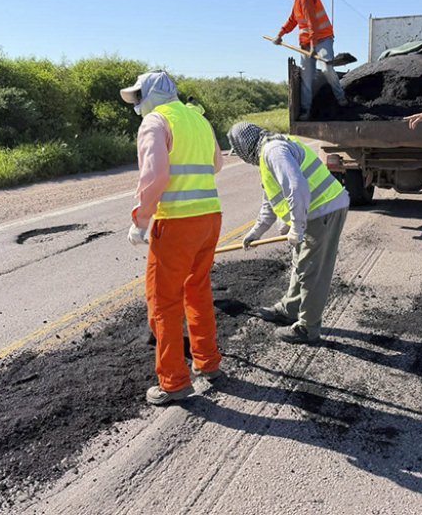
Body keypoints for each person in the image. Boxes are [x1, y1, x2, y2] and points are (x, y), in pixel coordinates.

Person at [122, 71, 224, 406]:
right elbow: (217, 165)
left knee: (164, 302)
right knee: (197, 290)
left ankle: (174, 382)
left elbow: (154, 176)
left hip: (177, 223)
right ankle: (207, 362)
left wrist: (140, 221)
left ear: (151, 94)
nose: (137, 104)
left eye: (139, 96)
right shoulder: (198, 119)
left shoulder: (155, 121)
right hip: (210, 217)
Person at [228, 122, 349, 345]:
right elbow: (271, 201)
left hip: (324, 210)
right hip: (315, 212)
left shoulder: (274, 151)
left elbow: (296, 187)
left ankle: (308, 328)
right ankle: (290, 309)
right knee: (300, 263)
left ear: (244, 146)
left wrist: (297, 227)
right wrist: (256, 232)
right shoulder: (267, 153)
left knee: (312, 271)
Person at [273, 0, 348, 117]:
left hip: (323, 39)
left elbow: (312, 22)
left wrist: (313, 45)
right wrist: (280, 34)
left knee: (326, 68)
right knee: (306, 76)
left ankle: (341, 99)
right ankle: (306, 110)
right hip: (307, 44)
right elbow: (292, 21)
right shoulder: (297, 0)